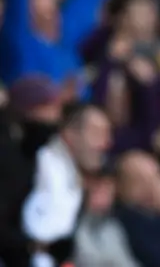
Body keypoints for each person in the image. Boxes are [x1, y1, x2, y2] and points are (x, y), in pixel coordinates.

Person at [21, 103, 112, 267]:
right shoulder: (37, 163)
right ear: (70, 134)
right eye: (97, 133)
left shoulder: (76, 177)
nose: (105, 144)